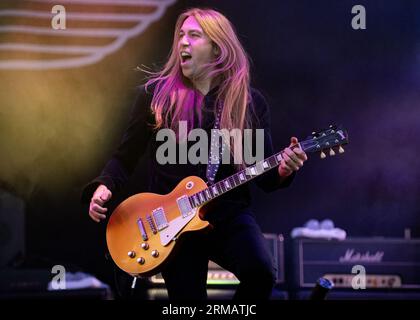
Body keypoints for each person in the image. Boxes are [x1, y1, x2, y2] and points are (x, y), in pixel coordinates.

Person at [82, 8, 307, 300]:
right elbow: (125, 156)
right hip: (171, 223)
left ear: (217, 48)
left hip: (228, 215)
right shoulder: (158, 97)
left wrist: (285, 168)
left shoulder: (248, 103)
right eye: (180, 35)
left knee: (260, 274)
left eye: (194, 35)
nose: (182, 43)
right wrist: (104, 185)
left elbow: (263, 175)